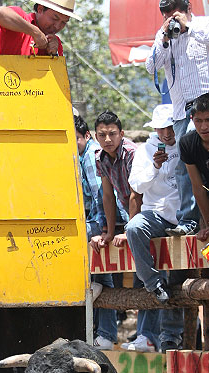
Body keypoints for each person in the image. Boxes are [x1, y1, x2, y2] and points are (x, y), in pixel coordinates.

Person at [91, 110, 160, 351]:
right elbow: (107, 195)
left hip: (150, 212)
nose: (107, 139)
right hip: (127, 215)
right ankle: (109, 335)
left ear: (121, 134)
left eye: (112, 134)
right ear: (95, 136)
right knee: (103, 256)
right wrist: (109, 232)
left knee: (145, 272)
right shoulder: (100, 157)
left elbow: (136, 195)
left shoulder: (132, 153)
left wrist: (128, 230)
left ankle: (148, 335)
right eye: (102, 135)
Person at [145, 0, 209, 237]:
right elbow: (151, 66)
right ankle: (189, 220)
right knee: (185, 164)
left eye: (175, 15)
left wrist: (188, 27)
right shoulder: (164, 36)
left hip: (205, 105)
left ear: (188, 9)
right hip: (182, 109)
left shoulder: (202, 26)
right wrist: (163, 38)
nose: (172, 21)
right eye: (167, 17)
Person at [125, 104, 184, 351]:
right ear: (156, 129)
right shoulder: (144, 150)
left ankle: (171, 335)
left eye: (170, 128)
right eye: (162, 129)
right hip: (156, 215)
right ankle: (151, 281)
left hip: (183, 218)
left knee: (181, 273)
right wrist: (155, 166)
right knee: (133, 227)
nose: (167, 134)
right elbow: (136, 184)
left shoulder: (185, 142)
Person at [75, 115, 127, 350]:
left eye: (75, 139)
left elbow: (102, 197)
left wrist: (102, 228)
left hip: (110, 221)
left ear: (86, 136)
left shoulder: (92, 157)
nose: (107, 139)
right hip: (104, 220)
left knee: (75, 238)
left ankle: (102, 327)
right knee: (102, 272)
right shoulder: (87, 155)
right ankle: (102, 331)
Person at [0, 0, 81, 56]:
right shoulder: (21, 18)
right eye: (55, 18)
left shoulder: (55, 42)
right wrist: (35, 32)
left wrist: (54, 54)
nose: (57, 26)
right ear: (40, 9)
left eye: (63, 22)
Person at [180, 93, 209, 241]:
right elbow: (197, 187)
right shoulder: (187, 143)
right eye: (198, 121)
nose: (204, 127)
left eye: (208, 120)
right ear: (192, 120)